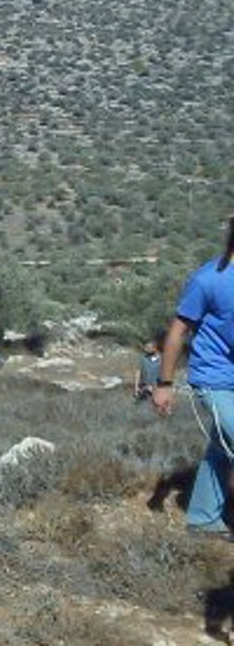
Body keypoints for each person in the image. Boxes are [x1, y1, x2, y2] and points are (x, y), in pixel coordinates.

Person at [153, 216, 234, 535]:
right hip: (214, 379)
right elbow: (178, 331)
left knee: (221, 447)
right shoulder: (208, 279)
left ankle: (202, 519)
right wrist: (164, 384)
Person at [134, 333, 164, 401]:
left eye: (147, 348)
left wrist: (155, 388)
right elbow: (138, 372)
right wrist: (136, 388)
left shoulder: (162, 360)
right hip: (144, 387)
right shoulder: (143, 357)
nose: (145, 349)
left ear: (154, 348)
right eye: (145, 347)